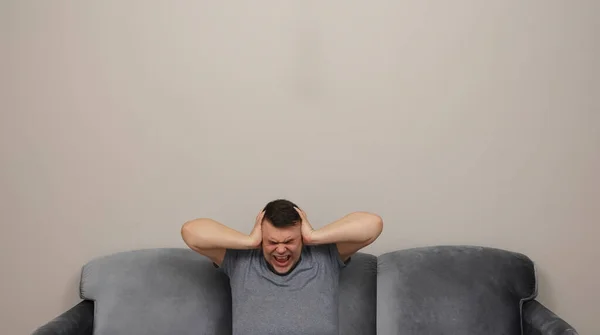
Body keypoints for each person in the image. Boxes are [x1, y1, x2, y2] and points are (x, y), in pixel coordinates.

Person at [181, 199, 383, 335]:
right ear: (261, 238)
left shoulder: (325, 257)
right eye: (272, 242)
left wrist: (314, 236)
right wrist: (249, 241)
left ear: (302, 238)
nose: (280, 250)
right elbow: (190, 232)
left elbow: (373, 225)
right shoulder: (241, 261)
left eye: (289, 241)